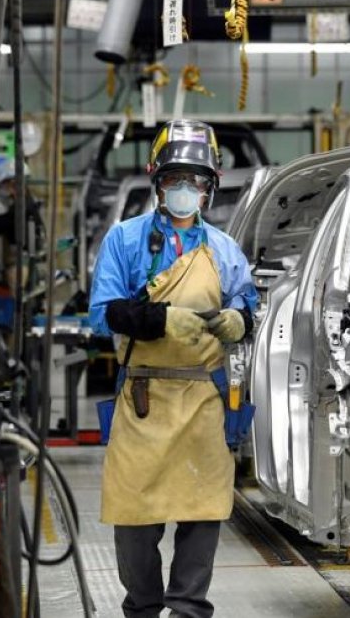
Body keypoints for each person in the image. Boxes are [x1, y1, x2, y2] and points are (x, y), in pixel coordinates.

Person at [89, 120, 258, 618]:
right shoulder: (125, 240)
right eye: (175, 180)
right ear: (156, 180)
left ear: (210, 188)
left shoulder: (225, 251)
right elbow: (104, 314)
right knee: (134, 520)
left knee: (202, 517)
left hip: (203, 403)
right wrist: (160, 320)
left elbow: (248, 312)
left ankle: (188, 610)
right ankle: (142, 607)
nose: (186, 190)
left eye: (197, 181)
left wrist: (239, 321)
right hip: (143, 402)